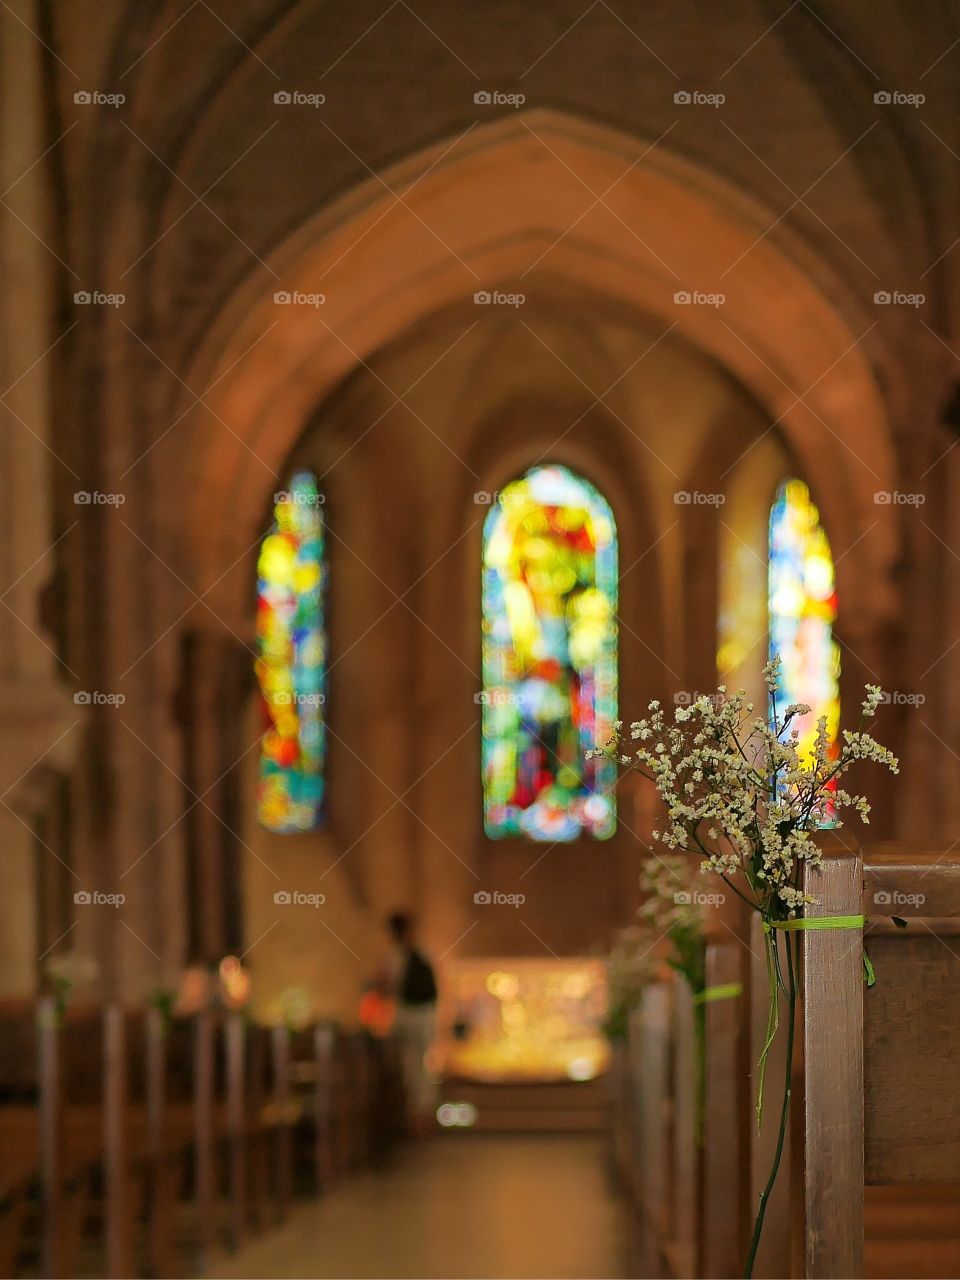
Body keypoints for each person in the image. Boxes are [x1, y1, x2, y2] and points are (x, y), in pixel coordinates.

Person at [386, 911, 438, 1135]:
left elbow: (388, 986)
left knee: (415, 1068)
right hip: (418, 1017)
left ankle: (419, 1118)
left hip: (412, 1017)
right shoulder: (414, 955)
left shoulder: (402, 957)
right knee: (416, 1068)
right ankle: (417, 1117)